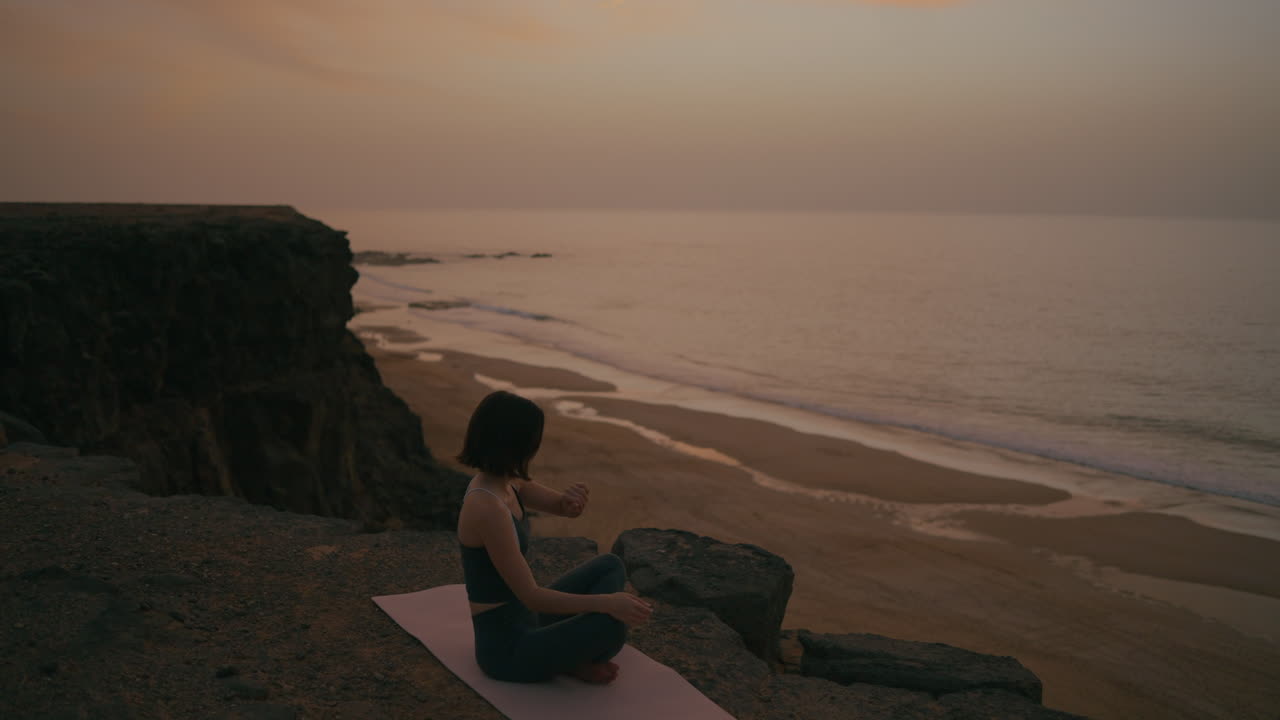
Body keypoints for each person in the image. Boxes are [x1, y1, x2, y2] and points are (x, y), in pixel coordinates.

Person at [455, 390, 652, 684]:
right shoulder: (487, 507)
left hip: (526, 620)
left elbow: (561, 507)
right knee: (610, 626)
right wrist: (608, 603)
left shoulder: (508, 481)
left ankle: (565, 657)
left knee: (610, 565)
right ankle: (565, 660)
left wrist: (571, 501)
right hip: (506, 650)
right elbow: (532, 597)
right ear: (517, 445)